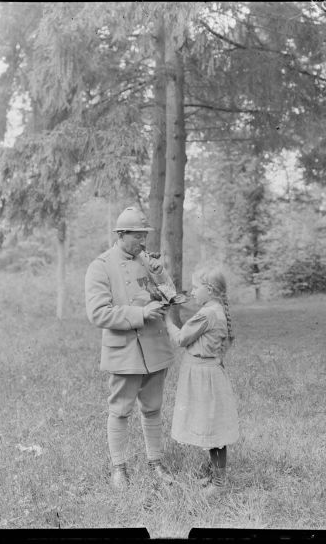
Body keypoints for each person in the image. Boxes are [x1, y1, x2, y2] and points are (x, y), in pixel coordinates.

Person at [84, 206, 177, 490]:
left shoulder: (149, 262)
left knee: (152, 408)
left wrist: (162, 277)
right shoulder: (100, 266)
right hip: (124, 350)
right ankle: (119, 468)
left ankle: (156, 463)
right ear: (122, 235)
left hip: (155, 347)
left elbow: (171, 297)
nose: (143, 242)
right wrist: (139, 314)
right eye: (138, 236)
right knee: (120, 410)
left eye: (145, 236)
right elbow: (98, 313)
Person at [164, 266, 239, 496]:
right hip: (207, 374)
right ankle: (215, 475)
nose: (193, 291)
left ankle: (219, 484)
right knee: (210, 427)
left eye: (196, 287)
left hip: (204, 376)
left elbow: (181, 338)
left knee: (214, 430)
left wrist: (167, 317)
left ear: (210, 289)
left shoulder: (207, 313)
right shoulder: (215, 310)